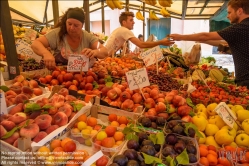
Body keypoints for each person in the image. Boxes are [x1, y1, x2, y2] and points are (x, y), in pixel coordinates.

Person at [169, 0, 249, 87]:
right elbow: (222, 43)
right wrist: (202, 40)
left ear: (240, 11)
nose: (227, 16)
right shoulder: (243, 29)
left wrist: (181, 37)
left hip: (246, 79)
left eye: (229, 12)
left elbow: (206, 35)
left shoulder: (240, 28)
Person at [31, 7, 108, 69]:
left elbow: (104, 51)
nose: (71, 28)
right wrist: (46, 53)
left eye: (76, 25)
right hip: (58, 76)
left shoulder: (87, 37)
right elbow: (35, 43)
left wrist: (95, 52)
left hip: (82, 78)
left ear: (82, 25)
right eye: (69, 24)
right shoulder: (57, 34)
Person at [104, 11, 174, 56]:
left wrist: (126, 49)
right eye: (131, 20)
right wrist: (161, 42)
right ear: (124, 22)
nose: (133, 22)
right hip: (103, 58)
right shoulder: (125, 30)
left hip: (103, 56)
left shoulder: (119, 30)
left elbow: (117, 41)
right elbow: (141, 44)